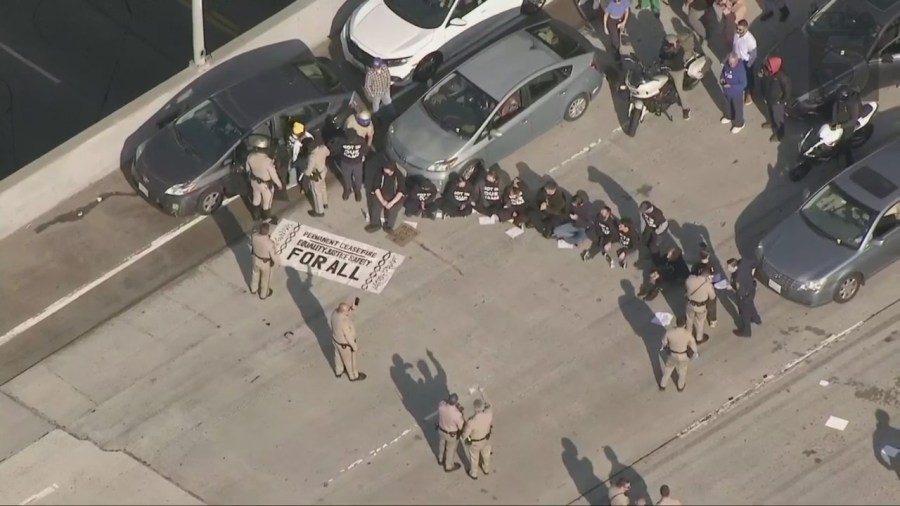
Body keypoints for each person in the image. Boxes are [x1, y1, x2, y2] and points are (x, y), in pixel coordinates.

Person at [246, 137, 283, 222]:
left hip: (254, 182)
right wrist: (279, 184)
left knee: (256, 198)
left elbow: (248, 170)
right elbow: (273, 175)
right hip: (266, 185)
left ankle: (255, 216)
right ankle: (266, 218)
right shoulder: (267, 161)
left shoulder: (250, 156)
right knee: (267, 202)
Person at [659, 33, 694, 120]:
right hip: (668, 67)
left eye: (669, 44)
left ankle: (686, 108)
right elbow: (661, 55)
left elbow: (675, 64)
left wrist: (666, 63)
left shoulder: (679, 51)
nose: (666, 45)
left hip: (677, 71)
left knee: (679, 90)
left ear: (675, 44)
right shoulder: (665, 48)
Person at [330, 301, 366, 382]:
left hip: (336, 340)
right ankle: (353, 375)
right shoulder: (344, 322)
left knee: (338, 357)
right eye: (347, 311)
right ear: (343, 312)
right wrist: (354, 346)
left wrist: (352, 308)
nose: (348, 312)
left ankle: (338, 371)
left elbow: (343, 313)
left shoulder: (334, 314)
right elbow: (349, 337)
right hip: (345, 346)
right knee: (350, 361)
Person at [366, 162, 406, 233]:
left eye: (386, 169)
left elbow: (401, 192)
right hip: (382, 194)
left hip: (395, 196)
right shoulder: (380, 173)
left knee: (393, 210)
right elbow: (376, 188)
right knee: (375, 206)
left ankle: (389, 226)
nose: (384, 170)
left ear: (392, 170)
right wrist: (383, 201)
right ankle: (376, 224)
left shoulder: (399, 176)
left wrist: (391, 203)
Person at [463, 388, 493, 480]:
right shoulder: (489, 414)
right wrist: (482, 391)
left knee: (474, 458)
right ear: (483, 407)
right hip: (486, 439)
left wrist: (465, 438)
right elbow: (489, 403)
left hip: (475, 443)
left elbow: (465, 434)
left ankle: (474, 473)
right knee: (486, 454)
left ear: (475, 408)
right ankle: (486, 468)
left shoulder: (471, 422)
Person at [759, 55, 791, 142]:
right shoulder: (769, 73)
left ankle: (780, 135)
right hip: (769, 99)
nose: (768, 67)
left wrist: (782, 101)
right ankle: (772, 123)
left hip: (777, 102)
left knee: (778, 118)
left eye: (769, 65)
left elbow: (787, 91)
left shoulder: (782, 78)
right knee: (771, 113)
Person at [659, 322, 699, 392]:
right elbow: (693, 346)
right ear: (684, 324)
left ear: (676, 323)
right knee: (682, 371)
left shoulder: (669, 332)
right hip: (683, 355)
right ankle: (680, 386)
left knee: (668, 369)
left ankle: (663, 385)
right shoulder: (688, 334)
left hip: (672, 354)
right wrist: (694, 353)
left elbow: (664, 342)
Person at [727, 257, 761, 337]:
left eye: (729, 267)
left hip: (744, 296)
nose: (727, 269)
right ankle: (756, 319)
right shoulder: (744, 262)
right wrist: (752, 274)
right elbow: (754, 262)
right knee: (751, 305)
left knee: (744, 313)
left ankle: (747, 332)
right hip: (751, 290)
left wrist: (731, 288)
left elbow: (739, 291)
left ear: (735, 267)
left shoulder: (737, 278)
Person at [832, 84, 864, 163]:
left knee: (845, 142)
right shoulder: (840, 99)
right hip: (840, 120)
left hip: (848, 125)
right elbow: (835, 106)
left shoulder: (853, 104)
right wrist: (834, 121)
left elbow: (852, 121)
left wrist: (840, 126)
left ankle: (849, 161)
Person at [685, 264, 717, 344]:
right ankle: (699, 338)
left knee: (689, 320)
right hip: (700, 306)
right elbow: (712, 296)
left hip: (689, 304)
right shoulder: (707, 285)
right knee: (700, 322)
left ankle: (688, 336)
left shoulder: (690, 279)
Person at [436, 393, 465, 472]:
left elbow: (443, 401)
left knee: (441, 443)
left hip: (441, 430)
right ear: (456, 402)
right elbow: (461, 426)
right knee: (450, 449)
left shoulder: (441, 406)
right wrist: (461, 412)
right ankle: (449, 466)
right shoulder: (457, 414)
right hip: (451, 434)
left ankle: (440, 458)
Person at [337, 127, 368, 202]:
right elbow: (338, 149)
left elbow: (365, 149)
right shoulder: (341, 140)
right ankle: (348, 189)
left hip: (357, 162)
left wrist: (362, 155)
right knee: (346, 177)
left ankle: (357, 190)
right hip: (346, 162)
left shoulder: (360, 140)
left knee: (358, 177)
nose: (351, 141)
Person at [303, 132, 329, 218]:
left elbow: (309, 170)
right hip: (323, 171)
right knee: (323, 187)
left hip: (315, 175)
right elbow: (328, 153)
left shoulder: (312, 156)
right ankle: (325, 203)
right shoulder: (323, 148)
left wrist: (305, 178)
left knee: (316, 192)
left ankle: (319, 211)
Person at [720, 52, 747, 134]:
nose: (731, 64)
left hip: (736, 94)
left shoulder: (740, 70)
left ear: (737, 61)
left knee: (737, 108)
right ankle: (729, 116)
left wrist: (731, 86)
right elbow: (723, 73)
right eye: (730, 62)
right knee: (728, 105)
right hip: (727, 91)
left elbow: (743, 84)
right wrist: (722, 78)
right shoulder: (727, 65)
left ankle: (739, 124)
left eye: (733, 63)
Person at [250, 222, 278, 300]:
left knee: (255, 274)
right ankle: (263, 294)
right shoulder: (269, 243)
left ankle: (253, 288)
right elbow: (274, 256)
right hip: (265, 263)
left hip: (256, 258)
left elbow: (252, 242)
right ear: (268, 231)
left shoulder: (254, 237)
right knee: (265, 279)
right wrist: (276, 263)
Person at [732, 20, 757, 106]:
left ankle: (749, 93)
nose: (738, 31)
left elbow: (753, 55)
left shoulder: (751, 41)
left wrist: (748, 65)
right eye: (737, 28)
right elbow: (735, 44)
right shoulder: (736, 33)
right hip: (737, 58)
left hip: (745, 61)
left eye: (740, 30)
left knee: (748, 78)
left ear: (746, 29)